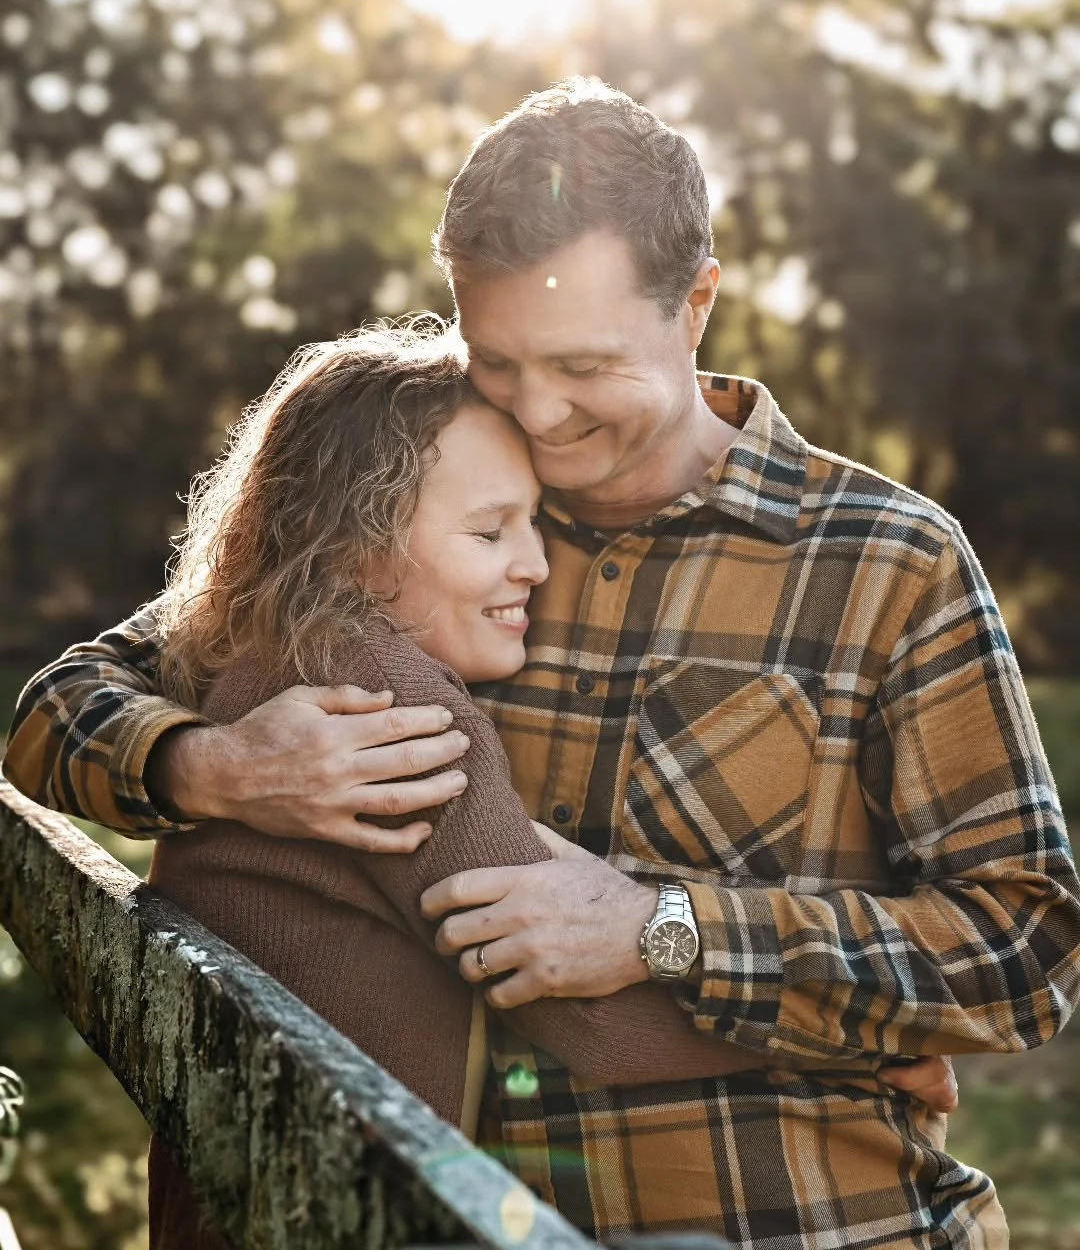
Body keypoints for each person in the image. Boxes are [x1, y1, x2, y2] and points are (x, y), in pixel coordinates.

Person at [7, 79, 1079, 1248]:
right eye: (500, 360)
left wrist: (668, 929)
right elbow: (60, 709)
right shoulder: (426, 516)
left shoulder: (889, 561)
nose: (541, 411)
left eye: (582, 364)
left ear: (696, 305)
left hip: (811, 1226)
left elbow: (1025, 953)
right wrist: (217, 768)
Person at [142, 323, 796, 1248]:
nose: (536, 564)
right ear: (357, 545)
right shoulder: (387, 704)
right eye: (490, 531)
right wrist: (850, 1052)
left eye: (535, 523)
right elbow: (586, 1019)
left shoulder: (258, 659)